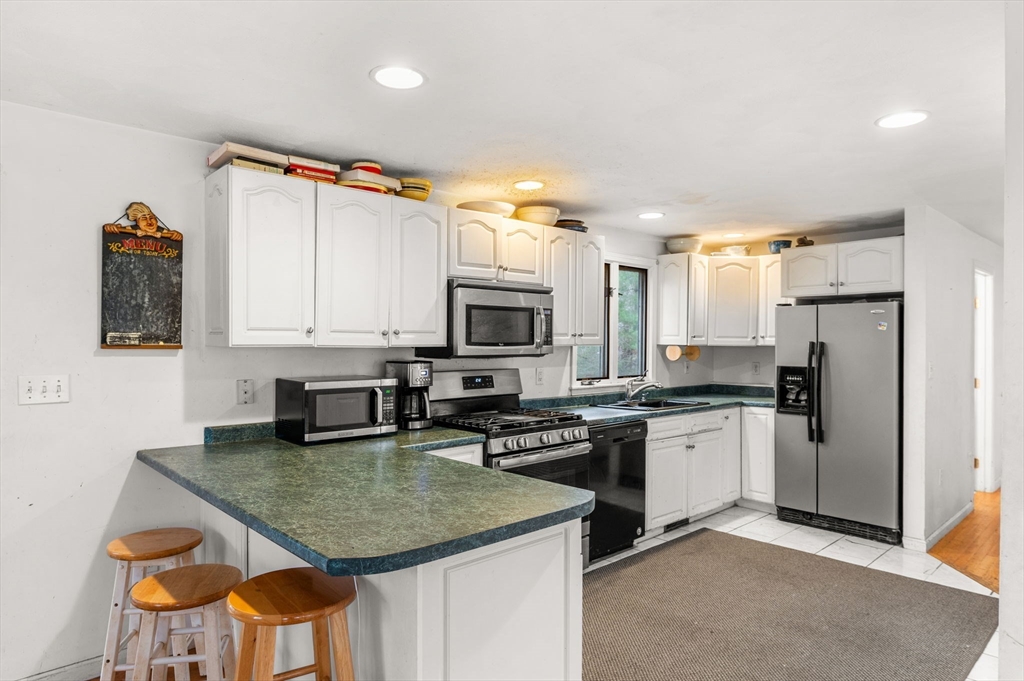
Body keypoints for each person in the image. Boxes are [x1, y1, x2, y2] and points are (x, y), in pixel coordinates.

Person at [103, 202, 182, 241]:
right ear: (137, 222)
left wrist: (177, 235)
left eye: (151, 218)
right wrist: (111, 227)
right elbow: (119, 229)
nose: (149, 222)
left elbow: (172, 234)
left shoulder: (161, 231)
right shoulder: (131, 229)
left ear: (157, 220)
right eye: (144, 218)